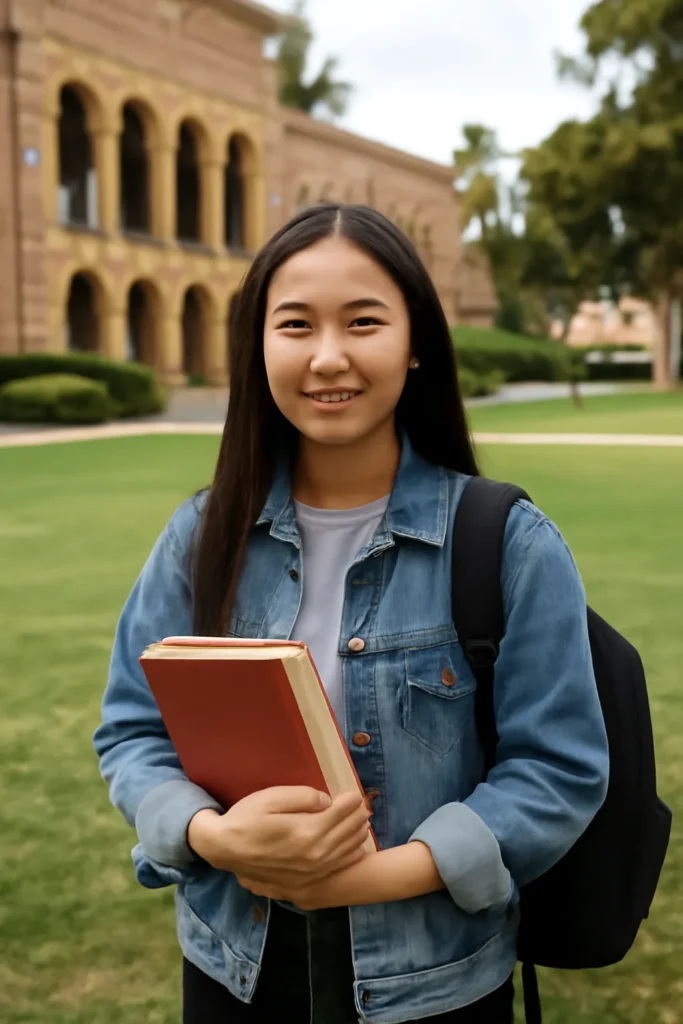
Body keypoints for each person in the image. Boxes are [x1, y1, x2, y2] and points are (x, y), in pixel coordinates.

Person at [93, 204, 609, 1024]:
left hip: (433, 985)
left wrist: (369, 877)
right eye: (295, 324)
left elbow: (557, 769)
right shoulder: (202, 536)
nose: (328, 356)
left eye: (363, 321)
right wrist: (208, 836)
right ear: (258, 345)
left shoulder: (505, 541)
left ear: (414, 345)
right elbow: (130, 729)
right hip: (234, 973)